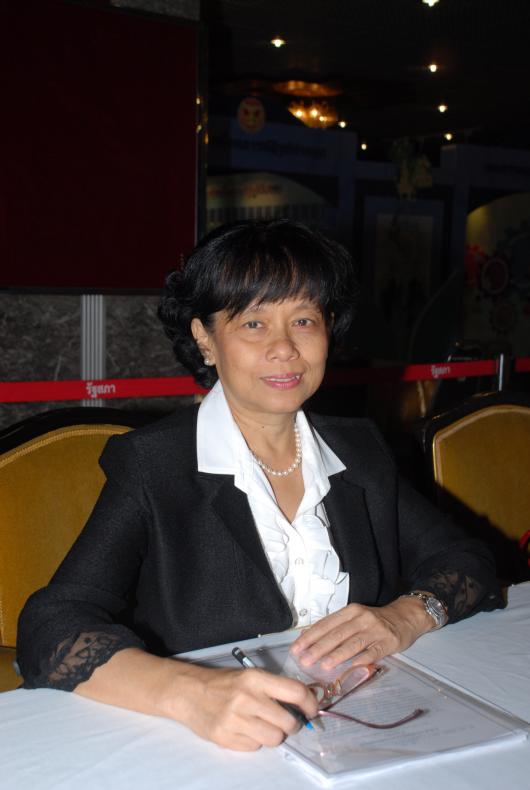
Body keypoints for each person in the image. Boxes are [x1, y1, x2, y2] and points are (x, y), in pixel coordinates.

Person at [17, 219, 504, 751]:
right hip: (210, 748)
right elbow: (50, 625)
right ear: (205, 338)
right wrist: (191, 693)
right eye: (253, 323)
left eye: (303, 320)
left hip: (355, 728)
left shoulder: (358, 450)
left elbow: (468, 560)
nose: (284, 348)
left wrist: (405, 616)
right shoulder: (154, 465)